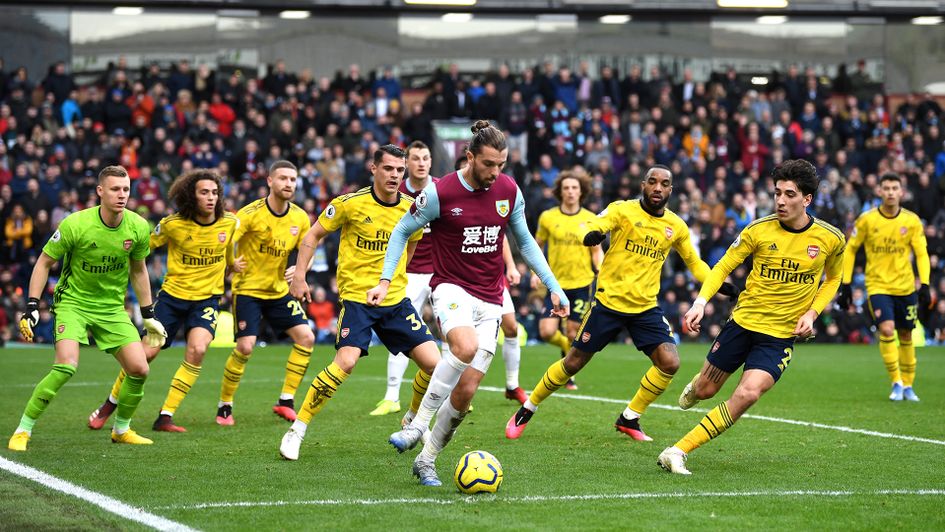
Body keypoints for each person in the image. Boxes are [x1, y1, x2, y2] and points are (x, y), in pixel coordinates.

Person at [369, 120, 569, 486]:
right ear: (470, 156)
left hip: (491, 297)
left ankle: (427, 461)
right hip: (450, 286)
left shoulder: (509, 189)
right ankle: (416, 426)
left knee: (465, 392)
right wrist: (385, 279)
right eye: (489, 164)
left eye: (502, 165)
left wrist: (553, 286)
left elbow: (524, 242)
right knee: (464, 346)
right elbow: (400, 231)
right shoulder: (440, 192)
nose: (495, 172)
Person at [506, 165, 737, 442]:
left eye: (664, 184)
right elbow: (595, 224)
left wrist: (715, 282)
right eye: (652, 182)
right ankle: (527, 409)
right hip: (608, 303)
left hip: (645, 308)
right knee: (573, 362)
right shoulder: (622, 210)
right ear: (643, 185)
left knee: (670, 362)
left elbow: (694, 263)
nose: (657, 188)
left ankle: (630, 417)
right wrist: (593, 235)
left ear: (670, 190)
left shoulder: (676, 226)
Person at [660, 159, 845, 475]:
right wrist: (701, 302)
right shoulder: (758, 230)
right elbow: (723, 266)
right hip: (742, 325)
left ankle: (677, 451)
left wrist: (813, 313)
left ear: (808, 199)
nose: (781, 201)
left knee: (747, 393)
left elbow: (833, 279)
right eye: (777, 193)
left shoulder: (831, 238)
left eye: (789, 194)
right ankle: (697, 385)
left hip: (779, 337)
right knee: (705, 390)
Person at [278, 145, 442, 461]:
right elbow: (311, 237)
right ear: (373, 168)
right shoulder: (349, 205)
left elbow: (411, 247)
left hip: (395, 301)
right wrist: (300, 275)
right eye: (389, 169)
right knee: (347, 361)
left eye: (400, 170)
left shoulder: (412, 208)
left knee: (435, 364)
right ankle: (298, 428)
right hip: (357, 300)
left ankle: (411, 419)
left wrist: (395, 280)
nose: (395, 175)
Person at [10, 165, 165, 451]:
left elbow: (139, 270)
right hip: (73, 304)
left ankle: (121, 430)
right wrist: (32, 305)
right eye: (115, 189)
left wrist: (148, 314)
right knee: (66, 366)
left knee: (139, 368)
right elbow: (44, 263)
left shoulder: (138, 227)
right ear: (100, 191)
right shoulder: (76, 224)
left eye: (126, 189)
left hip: (111, 309)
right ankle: (23, 429)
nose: (122, 195)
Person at [87, 170, 243, 432]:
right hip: (171, 299)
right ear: (191, 196)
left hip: (206, 300)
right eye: (204, 192)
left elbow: (226, 248)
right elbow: (143, 246)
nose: (211, 198)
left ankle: (165, 416)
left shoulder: (228, 222)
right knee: (145, 355)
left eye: (215, 193)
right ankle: (110, 403)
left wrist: (231, 264)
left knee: (199, 350)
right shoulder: (173, 224)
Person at [215, 160, 315, 425]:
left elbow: (309, 248)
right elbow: (226, 238)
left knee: (306, 337)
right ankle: (224, 405)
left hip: (278, 291)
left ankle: (286, 400)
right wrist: (230, 263)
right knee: (245, 347)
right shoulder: (250, 213)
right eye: (282, 178)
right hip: (248, 289)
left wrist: (300, 270)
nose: (288, 184)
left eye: (293, 180)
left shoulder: (300, 217)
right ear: (269, 181)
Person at [837, 172, 930, 401]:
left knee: (906, 334)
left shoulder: (911, 221)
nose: (890, 192)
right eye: (886, 188)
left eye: (894, 188)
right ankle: (896, 382)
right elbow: (850, 249)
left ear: (901, 191)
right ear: (879, 191)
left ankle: (908, 386)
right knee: (887, 329)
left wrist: (925, 283)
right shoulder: (867, 220)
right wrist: (846, 283)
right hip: (878, 285)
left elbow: (921, 253)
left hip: (905, 287)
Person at [370, 141, 441, 417]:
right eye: (415, 158)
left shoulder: (441, 190)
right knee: (401, 331)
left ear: (431, 161)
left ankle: (451, 392)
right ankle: (391, 397)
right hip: (407, 273)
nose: (421, 163)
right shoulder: (395, 194)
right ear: (406, 163)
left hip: (439, 272)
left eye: (426, 158)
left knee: (449, 330)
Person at [531, 170, 604, 391]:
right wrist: (535, 272)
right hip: (555, 285)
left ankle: (567, 375)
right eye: (566, 188)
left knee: (573, 332)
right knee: (546, 331)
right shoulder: (548, 217)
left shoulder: (591, 219)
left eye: (574, 188)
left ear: (581, 192)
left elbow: (596, 251)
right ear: (560, 192)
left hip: (582, 283)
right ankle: (567, 348)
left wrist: (601, 271)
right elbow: (536, 246)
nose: (570, 192)